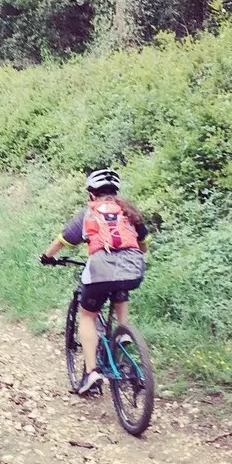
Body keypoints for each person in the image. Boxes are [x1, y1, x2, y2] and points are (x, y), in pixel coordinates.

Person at [40, 169, 149, 394]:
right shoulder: (129, 212)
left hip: (100, 270)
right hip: (133, 268)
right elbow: (144, 245)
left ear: (92, 194)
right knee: (121, 287)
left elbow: (62, 241)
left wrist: (46, 257)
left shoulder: (88, 213)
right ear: (115, 193)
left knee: (88, 316)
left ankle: (92, 373)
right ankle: (123, 332)